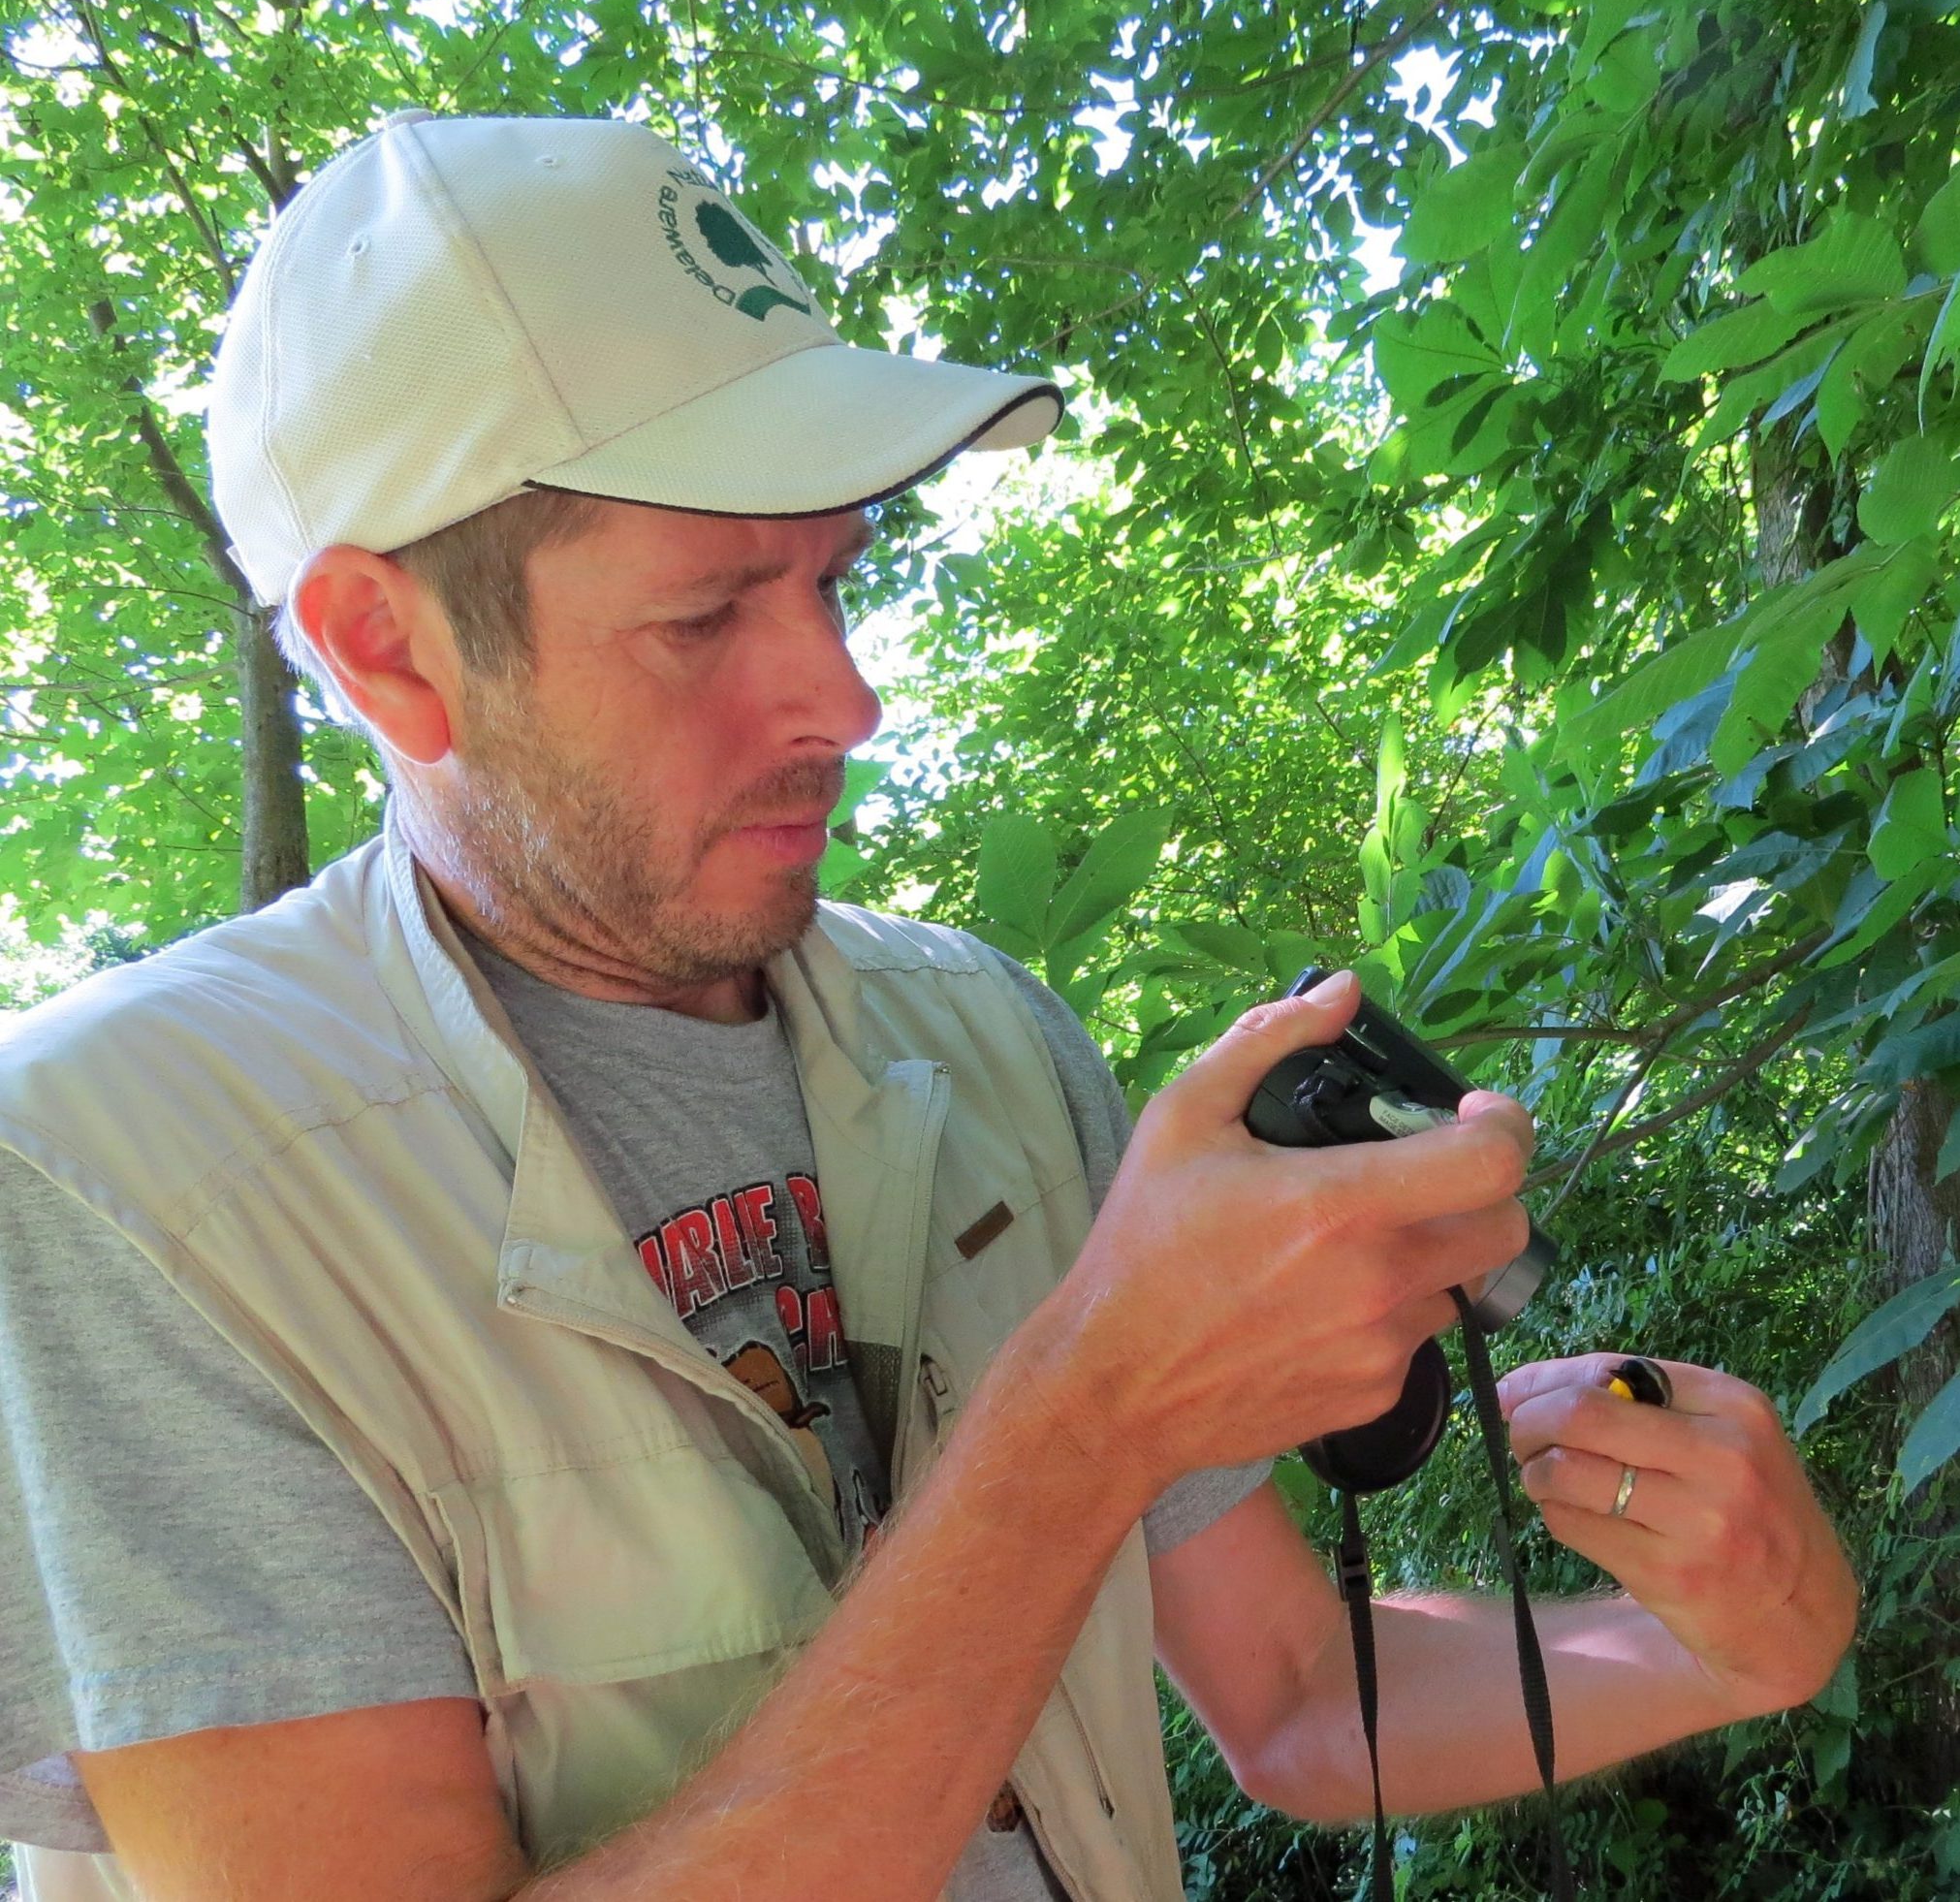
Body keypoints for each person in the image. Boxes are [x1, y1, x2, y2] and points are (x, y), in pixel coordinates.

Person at [0, 110, 1856, 1902]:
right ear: (389, 648)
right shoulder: (126, 1186)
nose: (847, 699)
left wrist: (1735, 1640)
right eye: (707, 614)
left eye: (833, 576)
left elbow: (1295, 1697)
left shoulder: (976, 1035)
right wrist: (1080, 1419)